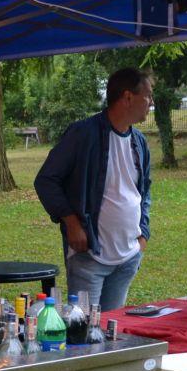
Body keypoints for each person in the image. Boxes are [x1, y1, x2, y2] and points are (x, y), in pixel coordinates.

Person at [33, 67, 153, 311]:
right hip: (89, 256)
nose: (151, 102)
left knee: (109, 328)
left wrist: (143, 234)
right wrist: (71, 222)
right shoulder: (83, 133)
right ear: (128, 97)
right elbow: (46, 180)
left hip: (128, 258)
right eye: (148, 96)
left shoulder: (140, 142)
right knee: (84, 328)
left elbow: (144, 192)